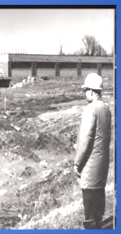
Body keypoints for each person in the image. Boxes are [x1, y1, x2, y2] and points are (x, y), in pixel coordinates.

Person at [74, 73, 112, 229]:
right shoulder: (106, 109)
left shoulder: (90, 109)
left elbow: (85, 140)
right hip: (102, 167)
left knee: (89, 213)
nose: (84, 93)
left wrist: (77, 163)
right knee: (98, 210)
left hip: (90, 168)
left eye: (86, 90)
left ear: (91, 91)